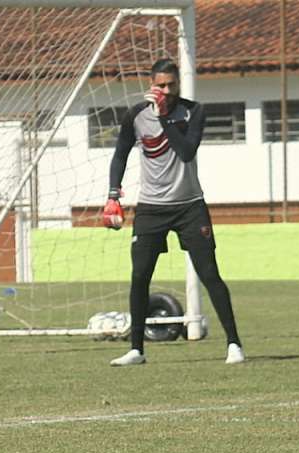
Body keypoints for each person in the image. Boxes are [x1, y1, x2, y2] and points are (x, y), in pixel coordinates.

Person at [102, 58, 244, 366]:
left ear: (178, 84)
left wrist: (164, 118)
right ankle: (136, 349)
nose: (167, 90)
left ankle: (234, 344)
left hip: (190, 206)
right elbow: (120, 155)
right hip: (151, 209)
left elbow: (186, 151)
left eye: (172, 85)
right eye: (161, 85)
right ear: (152, 86)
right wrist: (113, 194)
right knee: (140, 275)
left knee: (209, 274)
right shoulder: (136, 116)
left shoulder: (194, 111)